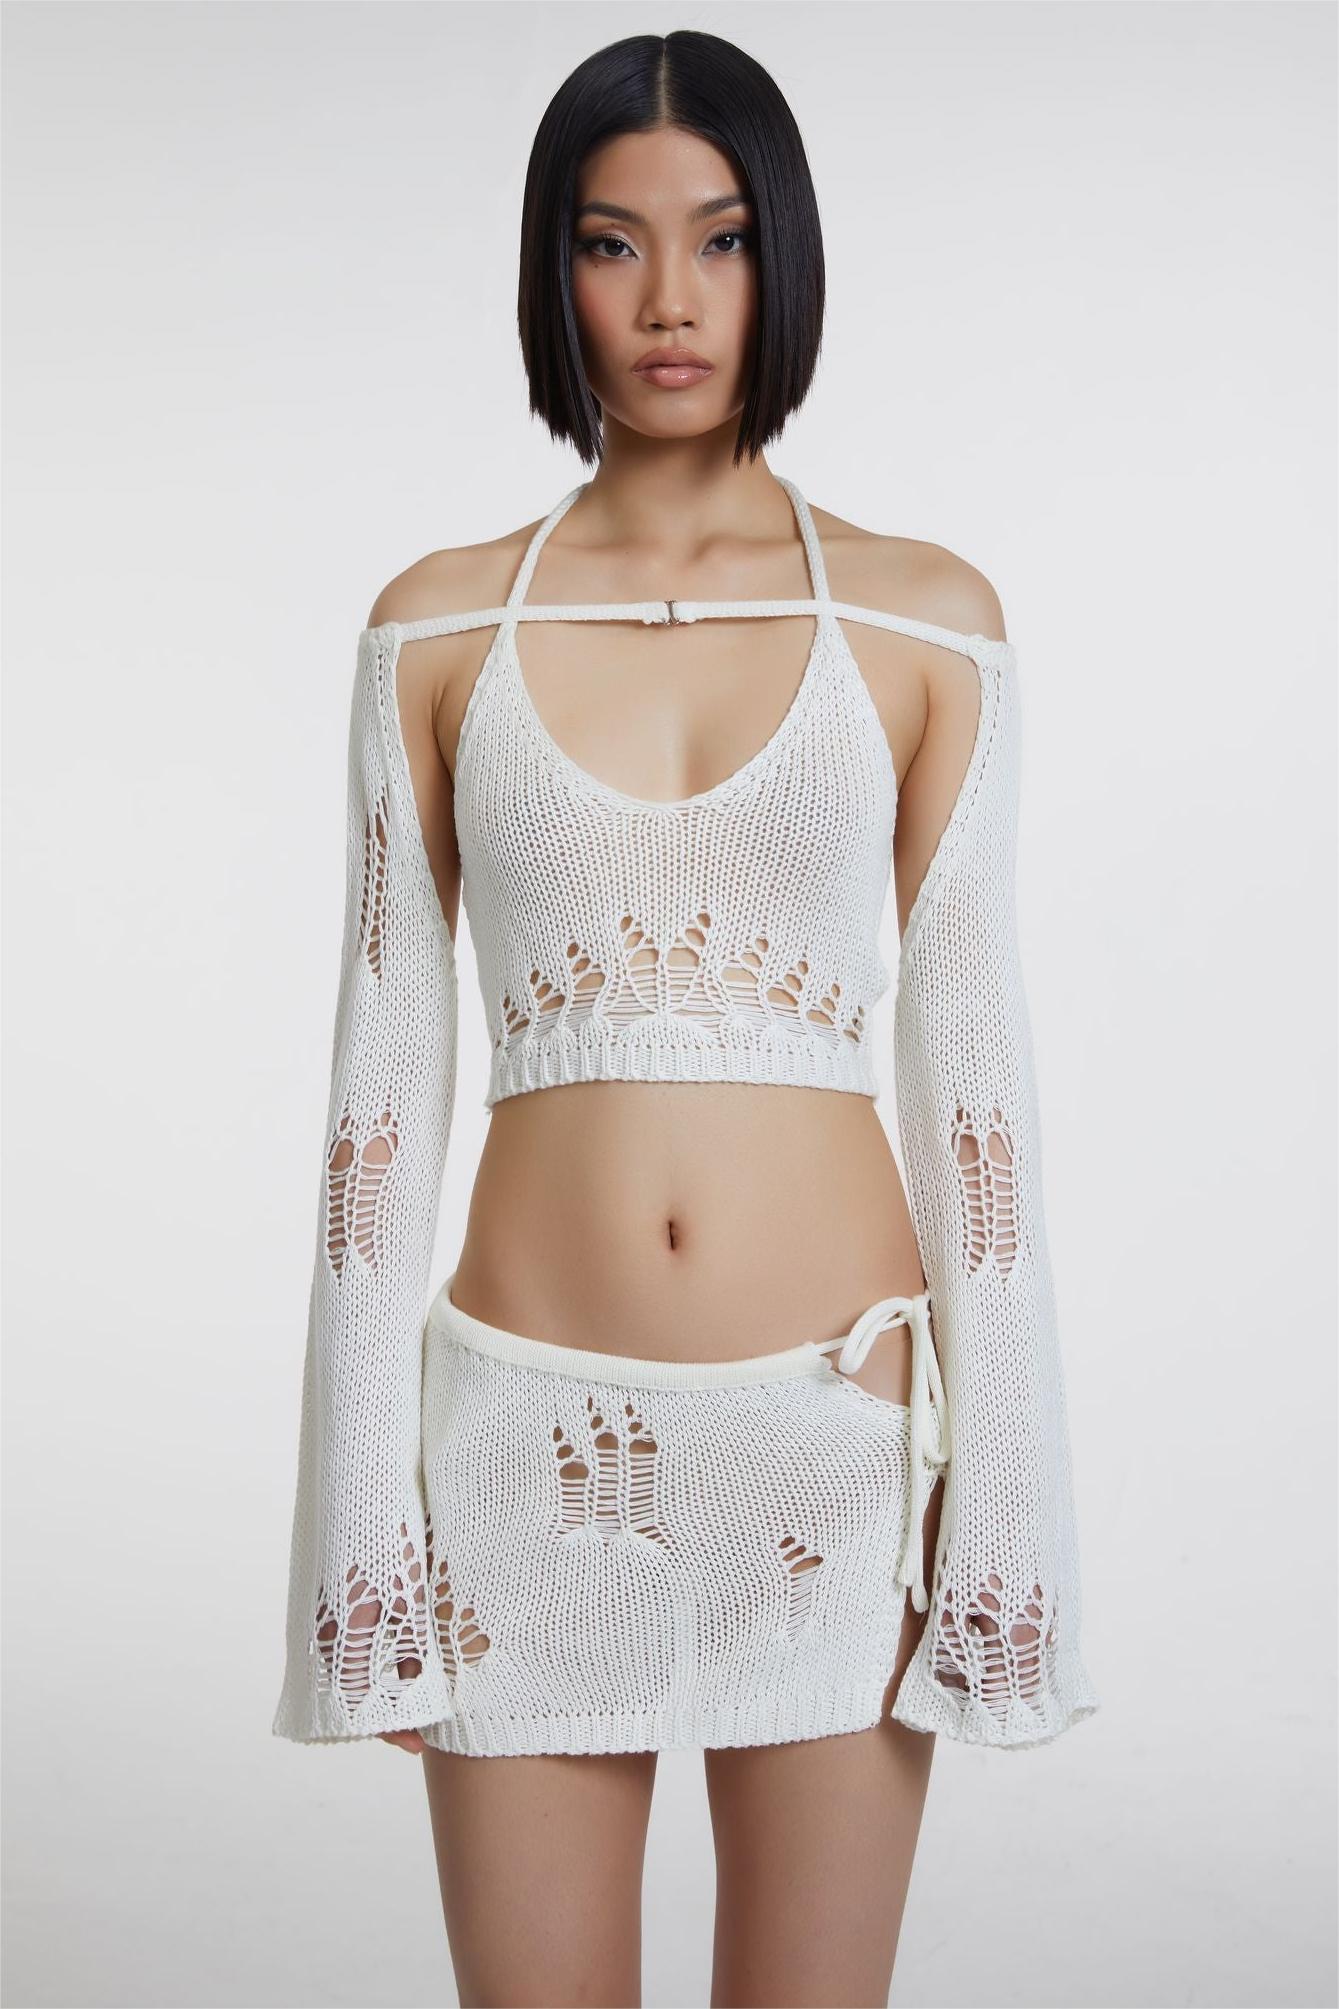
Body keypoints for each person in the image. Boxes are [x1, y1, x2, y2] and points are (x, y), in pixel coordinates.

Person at [272, 27, 1098, 2007]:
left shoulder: (924, 622)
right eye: (610, 242)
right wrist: (358, 1526)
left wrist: (1006, 1507)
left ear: (780, 257)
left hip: (831, 1446)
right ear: (551, 271)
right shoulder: (435, 628)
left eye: (718, 241)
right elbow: (379, 1101)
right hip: (515, 1445)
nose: (666, 301)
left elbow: (977, 1100)